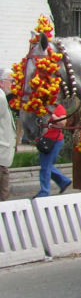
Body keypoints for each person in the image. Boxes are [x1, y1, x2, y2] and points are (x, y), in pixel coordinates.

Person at [33, 103, 70, 198]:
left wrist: (52, 114)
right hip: (45, 140)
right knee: (46, 165)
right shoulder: (41, 107)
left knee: (45, 167)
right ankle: (64, 181)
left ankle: (45, 191)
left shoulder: (59, 108)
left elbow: (62, 123)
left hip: (54, 141)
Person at [0, 72, 15, 201]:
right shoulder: (1, 98)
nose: (13, 84)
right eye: (11, 81)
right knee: (3, 193)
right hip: (1, 154)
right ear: (1, 82)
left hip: (3, 155)